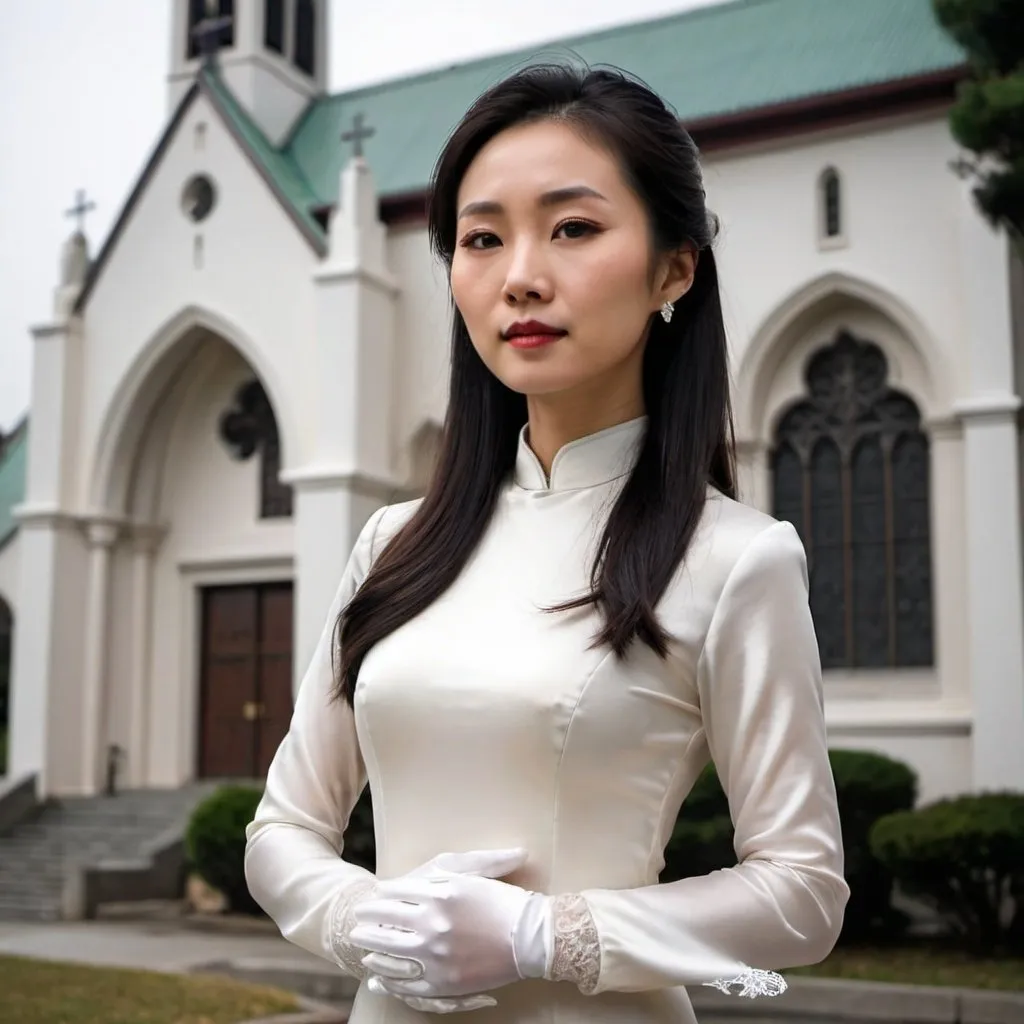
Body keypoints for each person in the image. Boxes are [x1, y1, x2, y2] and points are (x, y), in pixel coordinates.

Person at [244, 63, 849, 1023]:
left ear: (674, 268)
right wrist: (366, 920)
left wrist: (546, 936)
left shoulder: (738, 559)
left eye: (573, 227)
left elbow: (804, 892)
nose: (520, 273)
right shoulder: (392, 545)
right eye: (481, 238)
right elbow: (283, 830)